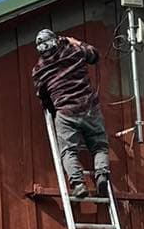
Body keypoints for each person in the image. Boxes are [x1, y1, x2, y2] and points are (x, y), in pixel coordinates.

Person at [32, 26, 112, 200]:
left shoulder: (39, 70)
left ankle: (78, 184)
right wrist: (76, 41)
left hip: (66, 112)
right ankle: (102, 175)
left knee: (68, 151)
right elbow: (94, 55)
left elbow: (44, 98)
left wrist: (57, 110)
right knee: (99, 145)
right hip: (89, 106)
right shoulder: (73, 52)